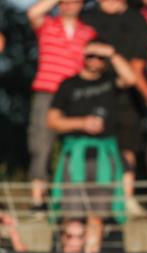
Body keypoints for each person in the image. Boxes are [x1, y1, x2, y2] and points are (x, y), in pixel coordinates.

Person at [46, 39, 136, 253]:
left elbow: (131, 78)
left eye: (99, 58)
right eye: (91, 56)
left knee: (98, 214)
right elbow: (52, 120)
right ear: (83, 57)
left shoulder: (110, 81)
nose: (95, 61)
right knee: (72, 215)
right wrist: (81, 123)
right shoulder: (69, 85)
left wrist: (112, 52)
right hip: (75, 156)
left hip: (104, 157)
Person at [81, 0, 147, 198]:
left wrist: (145, 91)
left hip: (126, 92)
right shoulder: (87, 16)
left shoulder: (136, 19)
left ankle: (125, 198)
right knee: (89, 146)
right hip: (91, 89)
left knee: (127, 146)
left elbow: (138, 64)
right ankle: (87, 195)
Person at [27, 0, 96, 209]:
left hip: (75, 94)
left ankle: (75, 195)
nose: (68, 5)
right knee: (41, 143)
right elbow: (32, 12)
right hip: (47, 90)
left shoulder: (88, 32)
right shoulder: (48, 24)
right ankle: (38, 199)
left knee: (77, 143)